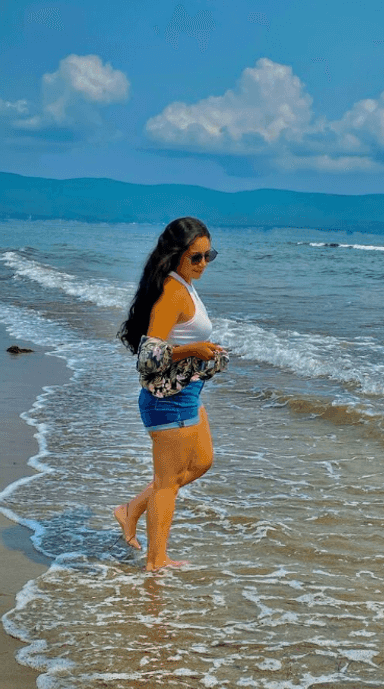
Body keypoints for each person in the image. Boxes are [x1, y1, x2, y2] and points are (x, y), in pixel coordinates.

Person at [114, 217, 229, 571]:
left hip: (188, 394)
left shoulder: (185, 283)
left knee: (202, 461)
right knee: (168, 484)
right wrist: (191, 350)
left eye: (208, 256)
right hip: (168, 403)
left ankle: (131, 509)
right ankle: (155, 561)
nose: (202, 264)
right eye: (195, 257)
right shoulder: (171, 291)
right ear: (176, 255)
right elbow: (149, 357)